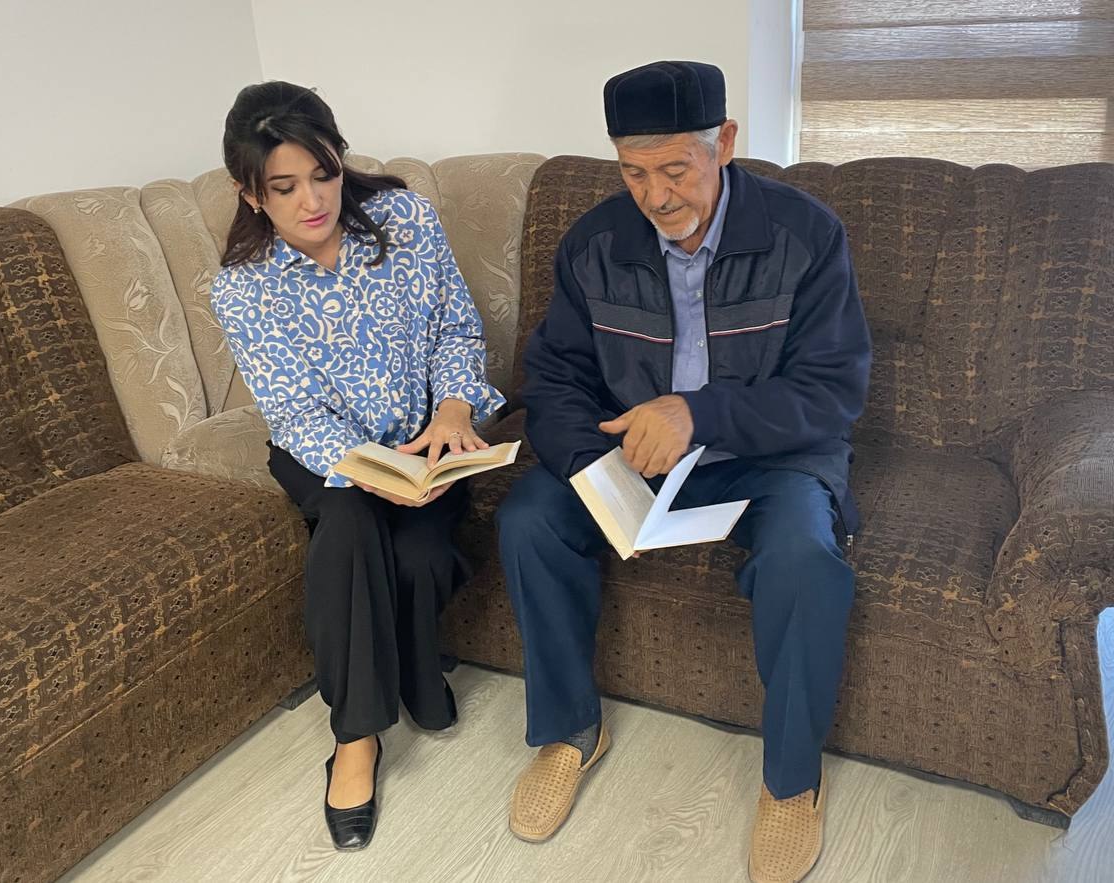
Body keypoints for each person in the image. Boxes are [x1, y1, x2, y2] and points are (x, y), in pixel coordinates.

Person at [496, 61, 871, 883]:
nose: (656, 196)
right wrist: (595, 468)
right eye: (634, 172)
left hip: (769, 459)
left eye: (675, 168)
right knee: (528, 521)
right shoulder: (593, 243)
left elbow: (832, 392)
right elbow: (553, 378)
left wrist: (697, 413)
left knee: (805, 558)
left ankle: (791, 780)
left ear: (724, 143)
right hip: (634, 457)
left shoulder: (806, 234)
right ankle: (569, 731)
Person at [210, 81, 505, 851]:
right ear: (250, 192)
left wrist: (453, 410)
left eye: (324, 174)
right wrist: (369, 471)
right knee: (347, 523)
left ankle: (413, 671)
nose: (312, 200)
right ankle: (356, 737)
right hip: (323, 453)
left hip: (424, 441)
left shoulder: (406, 219)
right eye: (284, 187)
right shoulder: (243, 288)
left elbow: (455, 327)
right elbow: (295, 412)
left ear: (341, 160)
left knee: (420, 555)